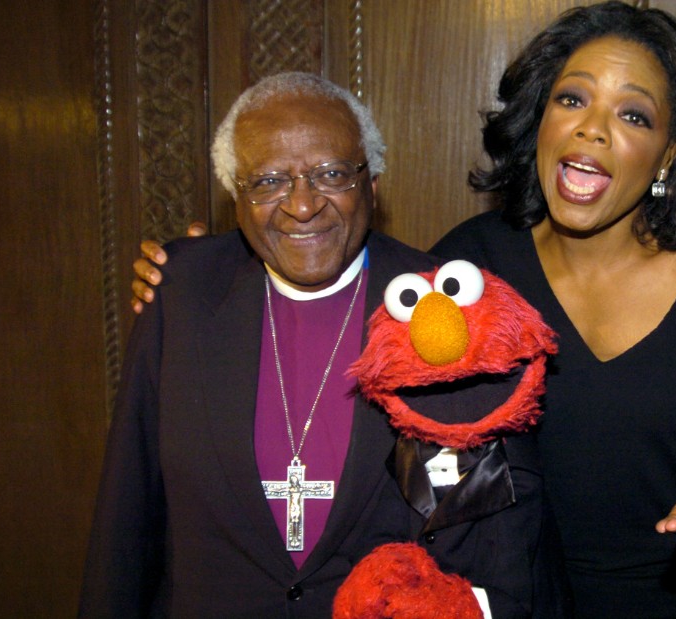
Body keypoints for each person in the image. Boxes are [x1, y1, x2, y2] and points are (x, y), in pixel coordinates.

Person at [133, 3, 676, 616]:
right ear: (540, 121)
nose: (593, 129)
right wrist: (211, 275)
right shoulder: (468, 270)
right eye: (571, 99)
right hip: (515, 595)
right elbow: (349, 312)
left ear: (668, 152)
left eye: (632, 114)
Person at [82, 72, 563, 618]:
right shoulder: (183, 294)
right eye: (268, 181)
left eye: (331, 173)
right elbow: (128, 513)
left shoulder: (443, 308)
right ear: (235, 199)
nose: (302, 205)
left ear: (373, 185)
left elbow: (488, 527)